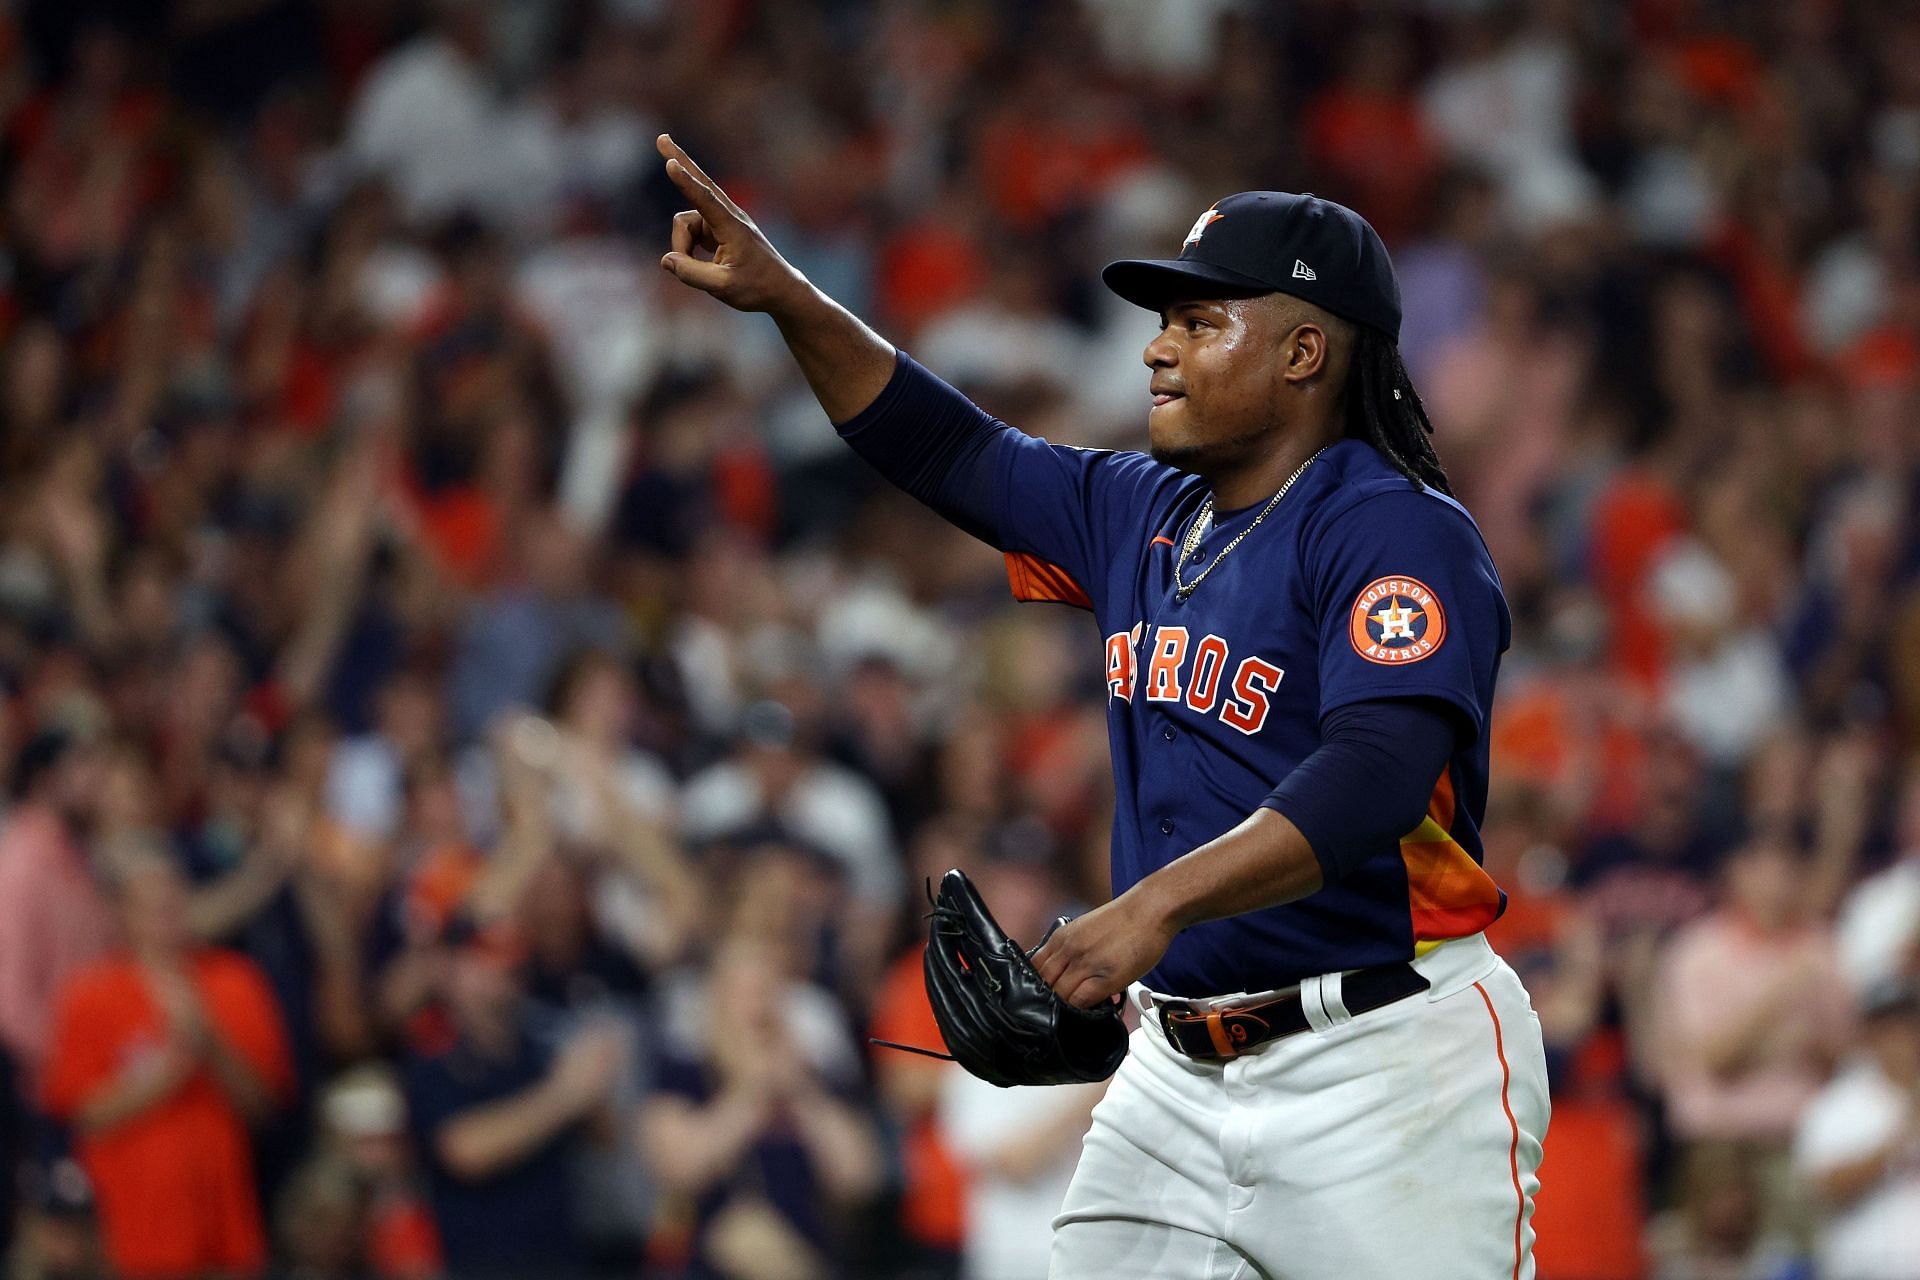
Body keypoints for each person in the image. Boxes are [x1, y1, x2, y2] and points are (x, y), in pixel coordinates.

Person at [655, 136, 1546, 1275]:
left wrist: (1147, 909)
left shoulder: (1396, 529)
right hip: (1174, 1071)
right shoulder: (1138, 510)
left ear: (1305, 352)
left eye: (1200, 320)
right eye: (1162, 320)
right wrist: (791, 300)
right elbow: (945, 444)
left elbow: (1375, 770)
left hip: (1383, 1060)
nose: (1158, 348)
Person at [40, 845, 295, 1280]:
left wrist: (208, 1044)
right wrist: (173, 1065)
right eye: (151, 906)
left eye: (173, 900)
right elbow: (84, 1112)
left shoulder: (235, 981)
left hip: (227, 1231)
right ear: (121, 913)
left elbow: (262, 1104)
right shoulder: (89, 995)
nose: (166, 915)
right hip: (133, 1236)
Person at [1793, 978, 1920, 1280]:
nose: (1900, 1039)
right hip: (1863, 1268)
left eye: (1907, 1027)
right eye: (1886, 1029)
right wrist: (1896, 1145)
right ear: (1867, 1036)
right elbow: (1824, 1190)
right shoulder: (1836, 1104)